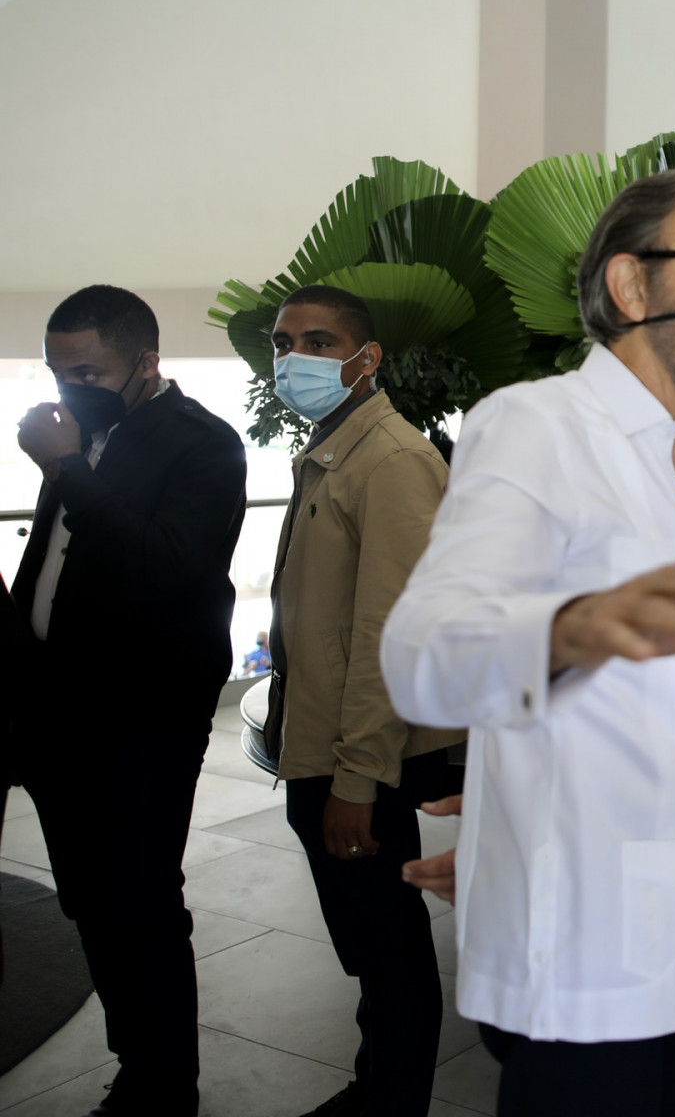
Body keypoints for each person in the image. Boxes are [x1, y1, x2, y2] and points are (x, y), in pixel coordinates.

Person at [380, 166, 675, 1116]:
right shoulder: (538, 427)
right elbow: (423, 654)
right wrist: (568, 629)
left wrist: (502, 828)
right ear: (630, 284)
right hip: (595, 966)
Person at [13, 285, 247, 1117]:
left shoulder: (203, 444)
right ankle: (134, 1060)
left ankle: (163, 1088)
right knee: (89, 900)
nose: (69, 386)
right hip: (56, 711)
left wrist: (66, 469)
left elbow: (165, 569)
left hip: (144, 715)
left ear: (146, 362)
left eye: (87, 372)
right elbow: (55, 564)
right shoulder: (81, 434)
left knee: (140, 902)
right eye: (57, 371)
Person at [265, 285, 465, 1117]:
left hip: (364, 758)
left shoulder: (391, 461)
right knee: (368, 943)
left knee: (389, 950)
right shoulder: (335, 449)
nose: (294, 359)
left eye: (318, 342)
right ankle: (373, 1084)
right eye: (283, 344)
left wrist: (356, 780)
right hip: (324, 741)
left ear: (366, 358)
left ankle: (394, 1102)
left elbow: (396, 633)